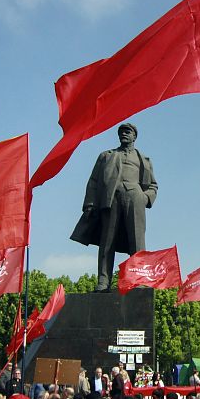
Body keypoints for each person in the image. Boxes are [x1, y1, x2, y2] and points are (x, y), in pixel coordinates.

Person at [72, 123, 159, 292]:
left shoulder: (144, 160)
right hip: (111, 199)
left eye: (128, 132)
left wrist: (144, 197)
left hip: (135, 198)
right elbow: (94, 181)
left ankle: (137, 278)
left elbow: (153, 186)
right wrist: (90, 203)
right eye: (121, 132)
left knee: (137, 241)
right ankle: (103, 282)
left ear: (134, 136)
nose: (124, 134)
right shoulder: (106, 156)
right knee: (107, 242)